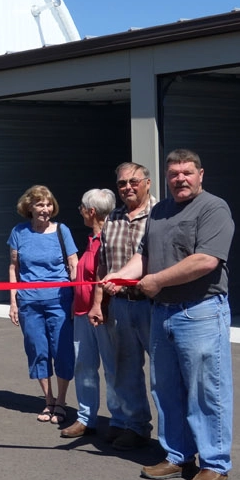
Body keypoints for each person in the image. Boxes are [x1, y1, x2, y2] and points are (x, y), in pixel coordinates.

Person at [104, 149, 235, 480]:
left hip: (201, 311)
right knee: (166, 390)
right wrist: (122, 276)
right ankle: (177, 455)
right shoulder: (160, 211)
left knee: (207, 391)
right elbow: (144, 256)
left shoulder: (213, 208)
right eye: (174, 173)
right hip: (162, 313)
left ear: (200, 174)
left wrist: (158, 280)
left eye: (187, 172)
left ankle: (214, 462)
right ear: (166, 177)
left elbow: (206, 260)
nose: (180, 178)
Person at [89, 163, 157, 450]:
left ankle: (173, 439)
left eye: (133, 182)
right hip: (120, 306)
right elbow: (102, 266)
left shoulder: (161, 214)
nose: (127, 187)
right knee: (126, 370)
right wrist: (98, 303)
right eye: (121, 184)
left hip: (153, 305)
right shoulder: (112, 219)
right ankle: (136, 427)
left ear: (147, 183)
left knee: (163, 374)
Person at [7, 185, 78, 426]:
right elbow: (14, 267)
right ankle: (48, 400)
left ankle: (61, 401)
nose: (45, 209)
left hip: (59, 300)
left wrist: (77, 297)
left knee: (62, 350)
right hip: (29, 302)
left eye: (48, 205)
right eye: (40, 204)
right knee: (38, 351)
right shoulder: (19, 232)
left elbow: (73, 264)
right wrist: (13, 302)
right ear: (29, 207)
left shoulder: (62, 231)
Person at [60, 188, 117, 439]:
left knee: (113, 369)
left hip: (103, 315)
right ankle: (85, 418)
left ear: (91, 211)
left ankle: (121, 421)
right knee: (84, 367)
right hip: (83, 313)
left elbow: (103, 278)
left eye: (82, 208)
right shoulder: (91, 239)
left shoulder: (109, 239)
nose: (80, 212)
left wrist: (97, 305)